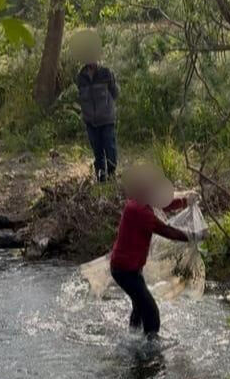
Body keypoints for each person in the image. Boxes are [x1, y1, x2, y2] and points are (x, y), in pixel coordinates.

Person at [110, 165, 204, 338]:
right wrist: (193, 236)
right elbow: (167, 231)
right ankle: (150, 350)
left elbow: (164, 203)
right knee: (151, 313)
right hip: (125, 271)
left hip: (127, 268)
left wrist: (185, 200)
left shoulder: (139, 202)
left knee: (140, 305)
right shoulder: (138, 211)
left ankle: (133, 339)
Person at [76, 58, 119, 182]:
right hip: (90, 121)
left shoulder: (106, 73)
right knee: (97, 152)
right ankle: (101, 179)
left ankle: (112, 177)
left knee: (110, 149)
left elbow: (115, 93)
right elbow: (80, 97)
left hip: (106, 119)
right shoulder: (81, 77)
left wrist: (107, 107)